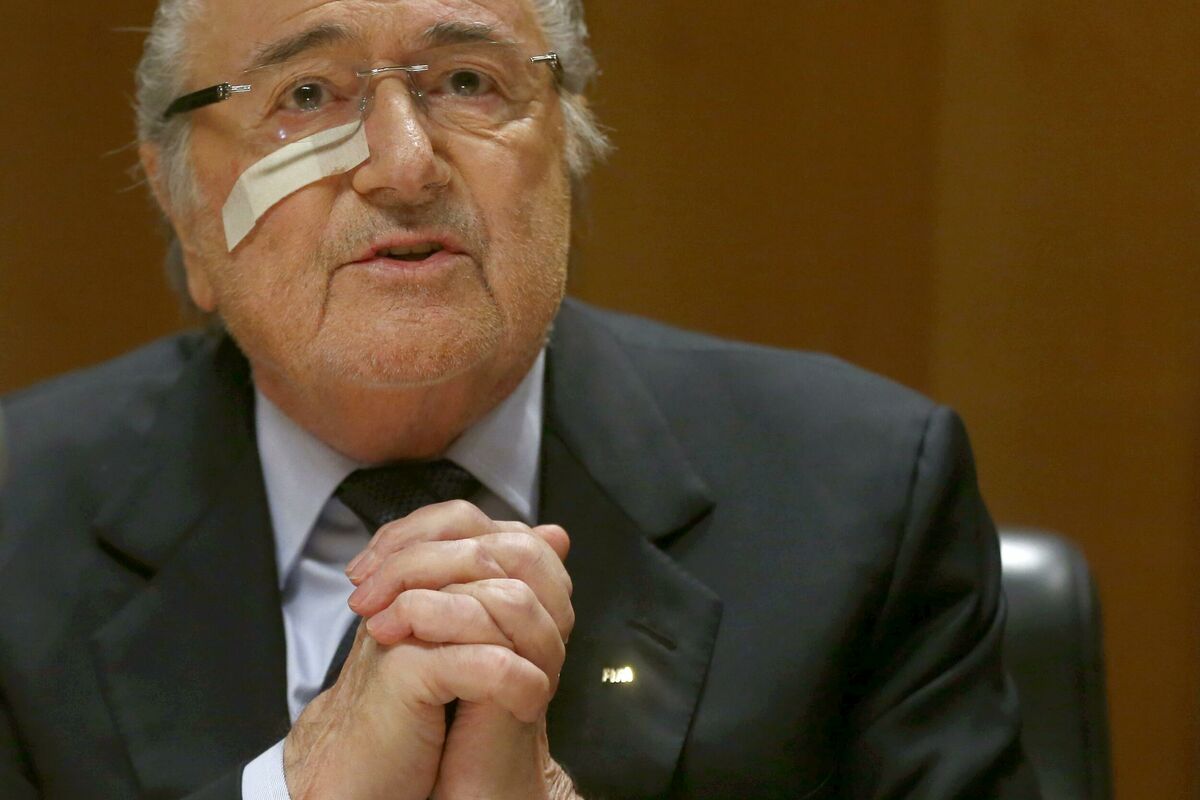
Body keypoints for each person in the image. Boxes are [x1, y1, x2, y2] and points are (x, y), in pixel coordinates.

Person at [0, 0, 1041, 798]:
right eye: (307, 96)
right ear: (183, 206)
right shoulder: (15, 527)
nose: (404, 166)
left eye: (468, 81)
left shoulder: (858, 496)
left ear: (568, 145)